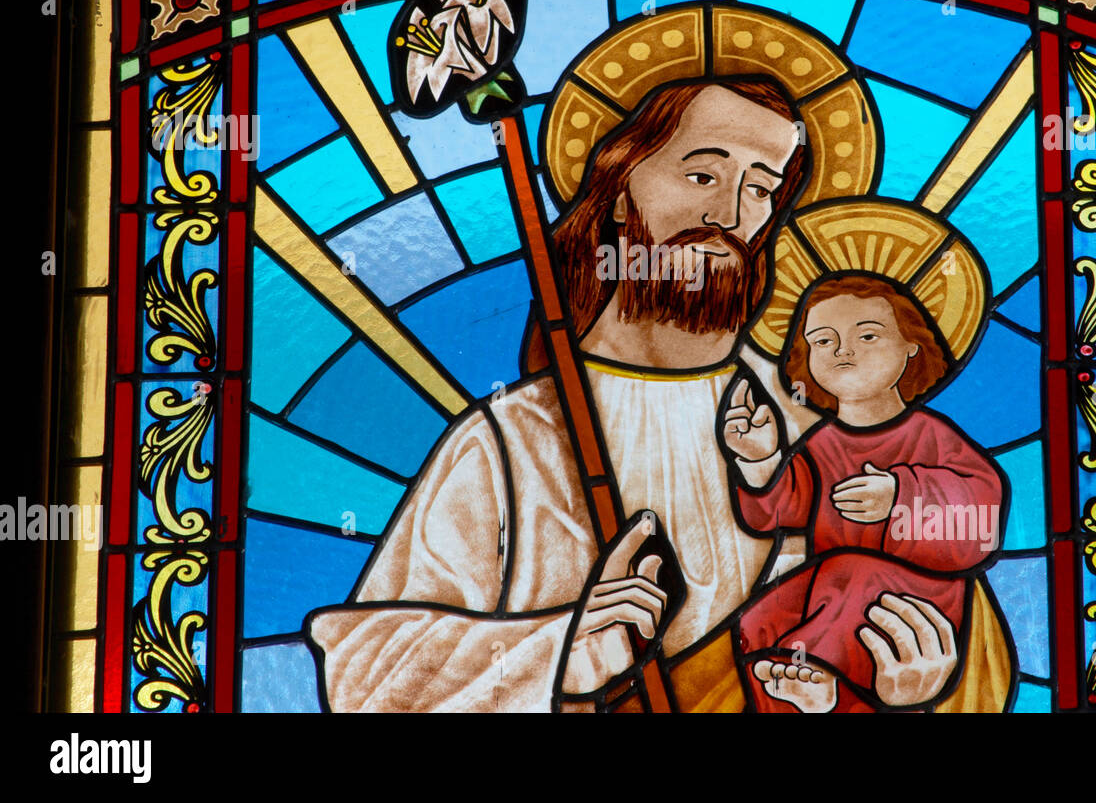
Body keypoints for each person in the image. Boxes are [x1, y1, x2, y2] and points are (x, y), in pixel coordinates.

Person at [305, 78, 964, 711]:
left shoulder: (808, 423)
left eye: (760, 189)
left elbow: (912, 590)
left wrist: (904, 689)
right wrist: (566, 641)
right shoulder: (515, 439)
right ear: (620, 190)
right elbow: (369, 679)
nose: (731, 215)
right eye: (702, 176)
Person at [722, 273, 1007, 712]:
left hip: (914, 599)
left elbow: (979, 514)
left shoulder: (931, 436)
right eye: (821, 340)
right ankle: (803, 699)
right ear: (804, 358)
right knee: (761, 616)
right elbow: (778, 511)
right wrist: (760, 460)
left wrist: (902, 496)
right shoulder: (820, 444)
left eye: (868, 335)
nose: (842, 350)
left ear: (912, 345)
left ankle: (819, 675)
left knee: (854, 575)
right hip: (831, 590)